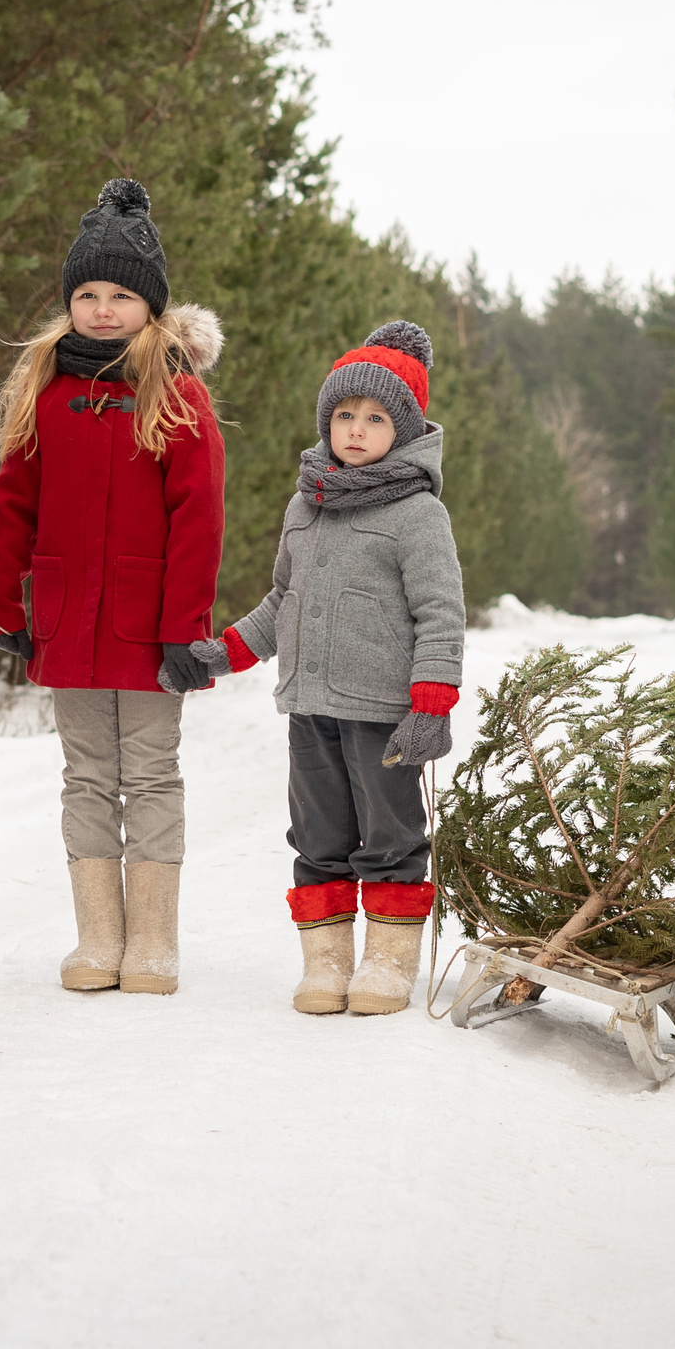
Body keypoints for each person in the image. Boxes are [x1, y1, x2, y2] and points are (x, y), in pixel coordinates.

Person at [162, 321, 464, 1016]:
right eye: (344, 415)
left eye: (376, 417)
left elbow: (441, 613)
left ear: (405, 429)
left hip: (384, 713)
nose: (356, 429)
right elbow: (282, 602)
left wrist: (431, 702)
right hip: (310, 707)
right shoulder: (307, 504)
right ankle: (326, 962)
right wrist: (222, 653)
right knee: (318, 834)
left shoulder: (419, 514)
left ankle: (387, 962)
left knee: (390, 836)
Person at [0, 178, 225, 996]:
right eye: (87, 292)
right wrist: (2, 605)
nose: (102, 308)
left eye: (121, 293)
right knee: (86, 774)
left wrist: (187, 627)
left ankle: (152, 941)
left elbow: (199, 518)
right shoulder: (45, 393)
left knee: (150, 772)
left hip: (147, 625)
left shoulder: (179, 394)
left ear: (151, 305)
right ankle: (98, 937)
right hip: (64, 619)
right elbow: (15, 501)